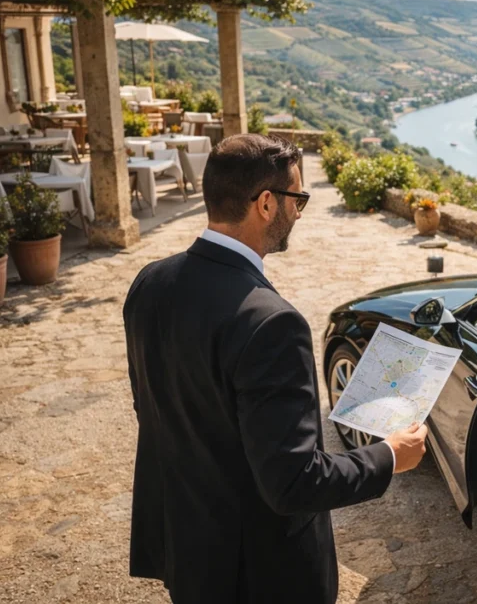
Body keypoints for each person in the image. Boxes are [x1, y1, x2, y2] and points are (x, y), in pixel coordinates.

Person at [124, 134, 429, 604]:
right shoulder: (273, 323)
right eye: (298, 198)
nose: (300, 212)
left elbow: (155, 410)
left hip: (188, 549)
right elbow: (294, 482)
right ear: (266, 204)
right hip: (259, 574)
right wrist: (390, 455)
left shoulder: (150, 282)